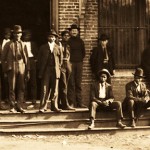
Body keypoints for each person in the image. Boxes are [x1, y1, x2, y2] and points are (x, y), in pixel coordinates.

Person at [3, 25, 30, 113]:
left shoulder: (23, 44)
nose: (17, 35)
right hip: (12, 66)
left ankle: (19, 106)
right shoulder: (8, 44)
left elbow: (27, 58)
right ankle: (12, 106)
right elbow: (3, 59)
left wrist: (27, 70)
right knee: (12, 87)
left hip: (21, 66)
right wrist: (5, 70)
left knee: (21, 87)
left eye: (19, 33)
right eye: (15, 33)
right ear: (13, 34)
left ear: (21, 34)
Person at [38, 30, 63, 112]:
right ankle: (43, 107)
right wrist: (41, 70)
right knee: (45, 88)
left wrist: (58, 68)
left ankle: (54, 106)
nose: (51, 38)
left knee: (55, 89)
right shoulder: (43, 47)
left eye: (53, 37)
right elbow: (39, 60)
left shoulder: (58, 47)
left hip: (55, 70)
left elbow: (61, 60)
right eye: (50, 36)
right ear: (47, 38)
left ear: (55, 38)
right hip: (46, 70)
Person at [67, 24, 86, 108]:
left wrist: (79, 60)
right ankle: (71, 103)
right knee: (71, 83)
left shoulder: (81, 41)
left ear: (78, 32)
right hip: (71, 64)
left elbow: (83, 53)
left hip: (79, 64)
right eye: (72, 31)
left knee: (78, 83)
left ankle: (79, 103)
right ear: (70, 32)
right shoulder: (68, 41)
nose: (74, 32)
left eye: (75, 31)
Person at [58, 30, 75, 110]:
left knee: (69, 84)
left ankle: (68, 102)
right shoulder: (58, 44)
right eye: (65, 36)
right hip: (61, 65)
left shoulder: (69, 45)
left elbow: (70, 55)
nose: (66, 37)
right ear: (62, 36)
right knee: (63, 84)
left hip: (68, 64)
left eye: (68, 36)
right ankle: (64, 104)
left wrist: (68, 62)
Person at [22, 30, 38, 106]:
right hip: (23, 62)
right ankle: (24, 97)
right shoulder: (21, 43)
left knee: (33, 80)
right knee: (23, 80)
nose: (28, 37)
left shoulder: (33, 43)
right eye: (26, 35)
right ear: (23, 36)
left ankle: (33, 98)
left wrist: (35, 60)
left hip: (31, 61)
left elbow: (37, 53)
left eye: (29, 35)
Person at [0, 28, 11, 107]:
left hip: (9, 64)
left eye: (8, 34)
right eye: (6, 34)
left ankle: (8, 98)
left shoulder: (12, 43)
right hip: (0, 64)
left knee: (8, 81)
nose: (7, 35)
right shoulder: (1, 42)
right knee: (1, 82)